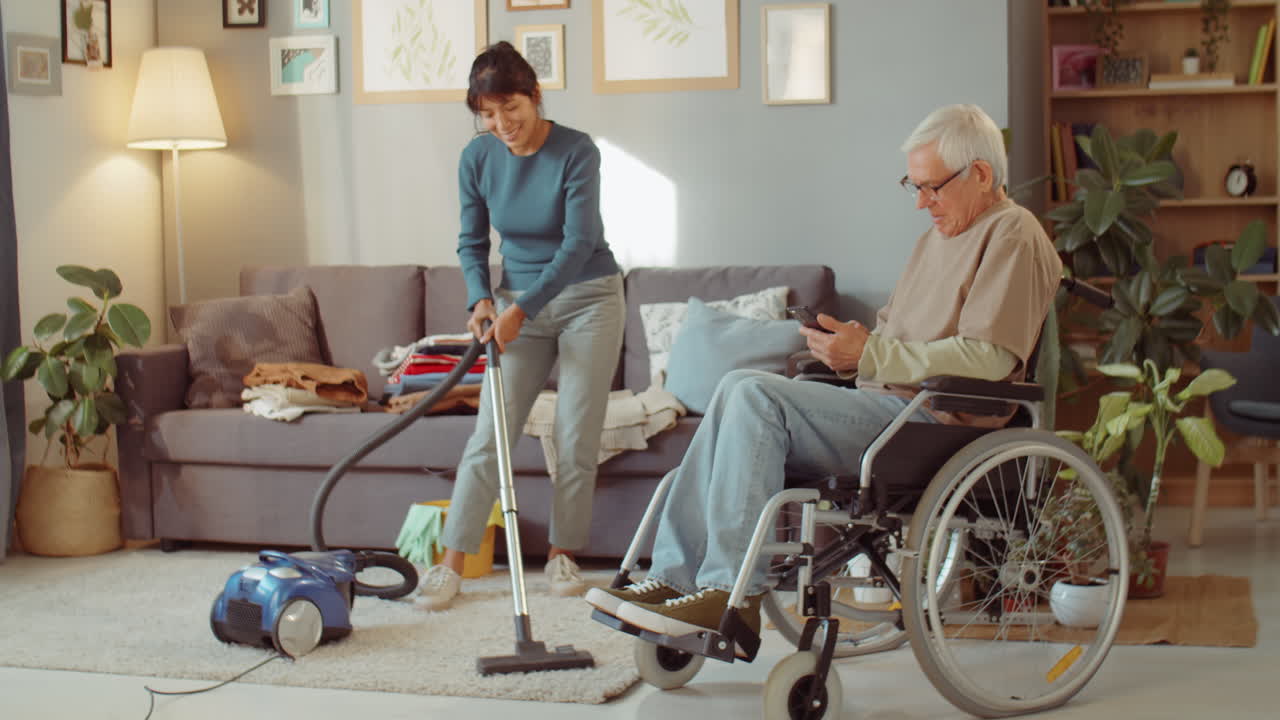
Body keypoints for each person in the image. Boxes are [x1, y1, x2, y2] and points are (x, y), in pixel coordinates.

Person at [586, 104, 1062, 640]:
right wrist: (851, 346)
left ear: (979, 173)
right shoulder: (937, 238)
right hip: (887, 407)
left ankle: (730, 595)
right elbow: (894, 338)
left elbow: (991, 359)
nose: (922, 202)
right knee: (737, 384)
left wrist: (872, 355)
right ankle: (674, 581)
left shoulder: (1012, 233)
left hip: (934, 424)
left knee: (757, 397)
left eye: (933, 187)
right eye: (915, 186)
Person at [417, 42, 625, 610]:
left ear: (535, 96)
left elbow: (580, 243)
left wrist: (520, 308)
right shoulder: (477, 158)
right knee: (490, 438)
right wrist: (481, 298)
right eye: (487, 112)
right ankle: (451, 565)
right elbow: (471, 241)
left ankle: (564, 556)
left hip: (589, 298)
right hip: (516, 304)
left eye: (510, 106)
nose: (501, 123)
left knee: (576, 435)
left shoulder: (576, 151)